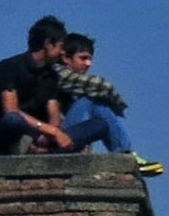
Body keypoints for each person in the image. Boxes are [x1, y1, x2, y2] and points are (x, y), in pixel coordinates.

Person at [54, 32, 161, 173]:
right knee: (92, 99)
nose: (88, 64)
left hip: (68, 134)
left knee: (96, 103)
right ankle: (124, 153)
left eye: (90, 59)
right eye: (83, 58)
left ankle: (125, 153)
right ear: (66, 58)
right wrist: (118, 105)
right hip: (55, 137)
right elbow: (102, 86)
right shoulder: (57, 72)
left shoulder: (73, 84)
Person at [0, 15, 75, 155]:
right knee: (12, 120)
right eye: (61, 46)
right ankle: (28, 145)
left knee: (98, 124)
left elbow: (53, 113)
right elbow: (11, 110)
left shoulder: (52, 76)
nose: (63, 52)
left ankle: (40, 147)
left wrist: (53, 133)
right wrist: (45, 131)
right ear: (48, 44)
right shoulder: (9, 66)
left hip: (43, 136)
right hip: (7, 139)